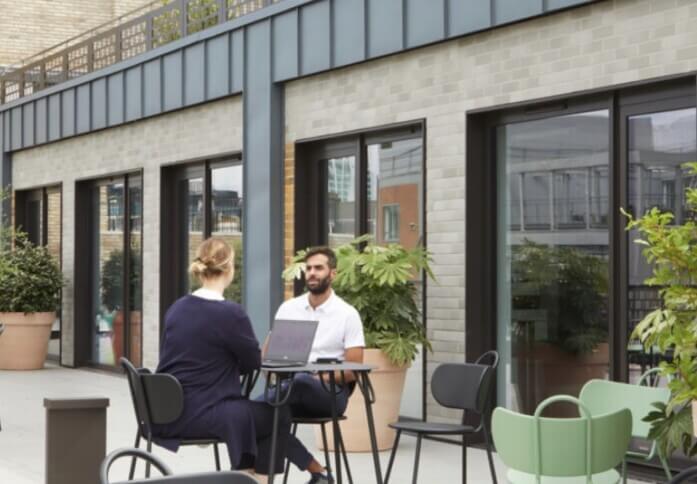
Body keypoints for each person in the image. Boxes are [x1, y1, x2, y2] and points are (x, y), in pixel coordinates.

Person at [154, 237, 290, 481]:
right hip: (205, 411)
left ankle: (245, 473)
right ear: (229, 269)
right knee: (277, 415)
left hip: (167, 412)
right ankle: (253, 479)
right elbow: (252, 363)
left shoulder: (177, 308)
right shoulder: (231, 313)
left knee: (246, 413)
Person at [261, 246, 365, 484]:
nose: (312, 273)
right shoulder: (289, 308)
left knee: (295, 385)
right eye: (308, 268)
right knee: (259, 414)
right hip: (290, 389)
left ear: (333, 274)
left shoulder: (347, 314)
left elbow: (352, 371)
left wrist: (320, 379)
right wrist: (272, 349)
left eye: (319, 268)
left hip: (329, 394)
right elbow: (266, 357)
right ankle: (318, 471)